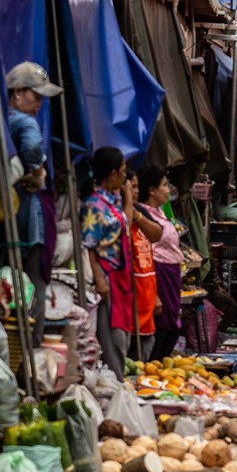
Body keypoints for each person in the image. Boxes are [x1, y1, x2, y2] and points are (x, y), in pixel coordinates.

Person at [4, 61, 61, 341]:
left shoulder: (1, 120)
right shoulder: (24, 121)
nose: (39, 104)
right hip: (29, 220)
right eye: (35, 96)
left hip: (9, 219)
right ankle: (33, 344)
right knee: (34, 282)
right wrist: (36, 171)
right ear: (16, 93)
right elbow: (33, 148)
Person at [82, 147, 138, 377]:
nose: (125, 177)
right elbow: (89, 246)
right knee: (111, 335)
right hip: (106, 276)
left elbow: (124, 224)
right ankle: (115, 383)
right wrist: (98, 278)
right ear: (112, 174)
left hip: (121, 277)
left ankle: (118, 380)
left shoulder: (113, 201)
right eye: (123, 172)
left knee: (122, 335)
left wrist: (126, 196)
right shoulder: (94, 205)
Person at [137, 164, 185, 361]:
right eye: (164, 185)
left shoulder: (160, 212)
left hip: (170, 272)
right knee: (163, 323)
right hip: (159, 272)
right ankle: (154, 364)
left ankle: (159, 366)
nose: (168, 190)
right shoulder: (144, 214)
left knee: (171, 322)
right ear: (151, 190)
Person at [127, 167, 162, 340]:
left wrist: (138, 217)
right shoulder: (115, 213)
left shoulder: (140, 211)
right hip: (129, 294)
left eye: (136, 187)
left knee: (148, 341)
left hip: (147, 291)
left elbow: (156, 234)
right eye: (132, 187)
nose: (135, 192)